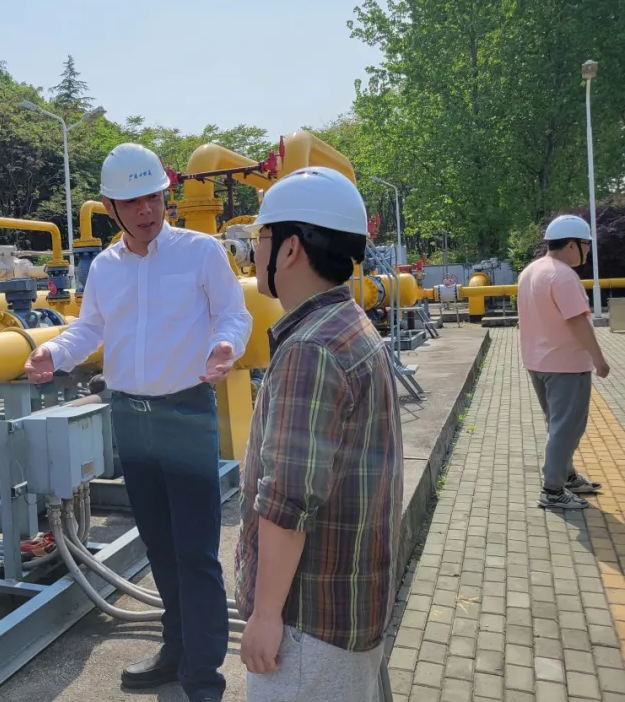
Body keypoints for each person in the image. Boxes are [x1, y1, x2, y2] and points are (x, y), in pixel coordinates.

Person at [24, 142, 253, 702]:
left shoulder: (200, 252)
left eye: (153, 197)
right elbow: (90, 329)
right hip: (131, 417)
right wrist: (54, 352)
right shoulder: (105, 267)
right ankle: (176, 650)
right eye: (132, 202)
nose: (146, 209)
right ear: (110, 208)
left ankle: (204, 677)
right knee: (159, 545)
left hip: (185, 414)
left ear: (164, 196)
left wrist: (225, 345)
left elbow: (233, 312)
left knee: (196, 552)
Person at [234, 167, 402, 701]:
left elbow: (287, 501)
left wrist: (265, 614)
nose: (253, 251)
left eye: (261, 237)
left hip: (308, 625)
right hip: (349, 606)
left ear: (290, 249)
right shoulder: (349, 324)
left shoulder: (310, 349)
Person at [517, 213, 609, 511]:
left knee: (557, 425)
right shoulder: (563, 276)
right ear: (572, 244)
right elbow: (577, 322)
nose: (588, 251)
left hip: (538, 362)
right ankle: (553, 490)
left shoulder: (531, 271)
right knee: (567, 428)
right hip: (566, 365)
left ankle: (566, 476)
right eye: (586, 245)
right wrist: (599, 359)